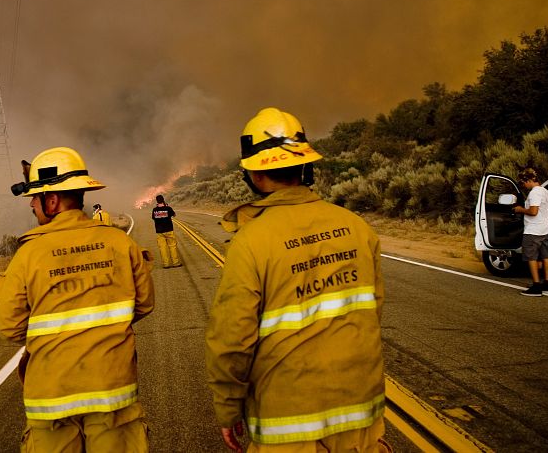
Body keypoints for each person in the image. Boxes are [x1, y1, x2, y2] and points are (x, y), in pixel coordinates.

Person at [205, 107, 389, 452]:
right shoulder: (357, 228)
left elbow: (232, 340)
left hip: (287, 421)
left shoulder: (251, 242)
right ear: (306, 165)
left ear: (255, 175)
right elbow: (373, 311)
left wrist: (228, 407)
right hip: (361, 410)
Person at [0, 146, 154, 452]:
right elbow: (144, 303)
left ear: (51, 200)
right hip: (112, 393)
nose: (31, 204)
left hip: (51, 400)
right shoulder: (120, 242)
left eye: (35, 197)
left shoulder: (28, 255)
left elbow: (10, 329)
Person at [515, 167, 548, 296]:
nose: (523, 185)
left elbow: (533, 211)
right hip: (544, 229)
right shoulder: (546, 192)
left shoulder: (535, 193)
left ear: (529, 179)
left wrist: (520, 209)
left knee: (531, 257)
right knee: (545, 256)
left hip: (533, 231)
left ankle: (536, 287)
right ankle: (547, 284)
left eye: (523, 182)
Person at [151, 194, 182, 268]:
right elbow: (174, 215)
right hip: (169, 230)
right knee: (172, 246)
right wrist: (167, 207)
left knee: (162, 248)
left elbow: (153, 218)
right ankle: (175, 262)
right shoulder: (168, 208)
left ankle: (166, 264)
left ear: (157, 201)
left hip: (159, 232)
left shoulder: (154, 210)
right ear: (163, 200)